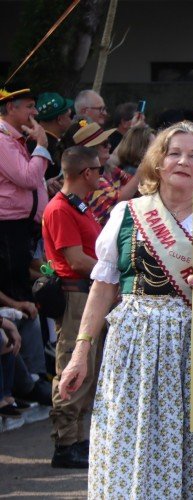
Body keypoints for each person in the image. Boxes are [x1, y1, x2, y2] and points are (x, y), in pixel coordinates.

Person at [57, 121, 193, 497]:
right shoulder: (127, 214)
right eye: (174, 152)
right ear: (157, 163)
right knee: (131, 444)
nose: (184, 161)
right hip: (134, 353)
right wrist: (80, 351)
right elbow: (103, 285)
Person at [42, 146, 103, 468]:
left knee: (87, 370)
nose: (101, 175)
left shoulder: (78, 207)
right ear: (86, 173)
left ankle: (78, 439)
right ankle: (66, 443)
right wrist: (112, 274)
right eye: (98, 169)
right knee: (72, 367)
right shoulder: (61, 209)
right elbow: (76, 260)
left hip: (85, 294)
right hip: (76, 295)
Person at [0, 86, 51, 402]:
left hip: (22, 229)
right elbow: (27, 178)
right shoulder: (3, 141)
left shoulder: (16, 141)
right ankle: (25, 380)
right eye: (29, 107)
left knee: (24, 294)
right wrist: (42, 146)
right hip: (7, 230)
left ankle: (29, 376)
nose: (34, 113)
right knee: (16, 295)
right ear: (9, 110)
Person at [66, 121, 139, 226]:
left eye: (108, 142)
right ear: (91, 151)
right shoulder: (87, 178)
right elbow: (117, 203)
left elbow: (137, 186)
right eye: (104, 144)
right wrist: (141, 172)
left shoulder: (110, 169)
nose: (109, 146)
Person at [35, 92, 74, 194]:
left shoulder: (30, 140)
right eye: (69, 116)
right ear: (60, 119)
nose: (71, 120)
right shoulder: (50, 146)